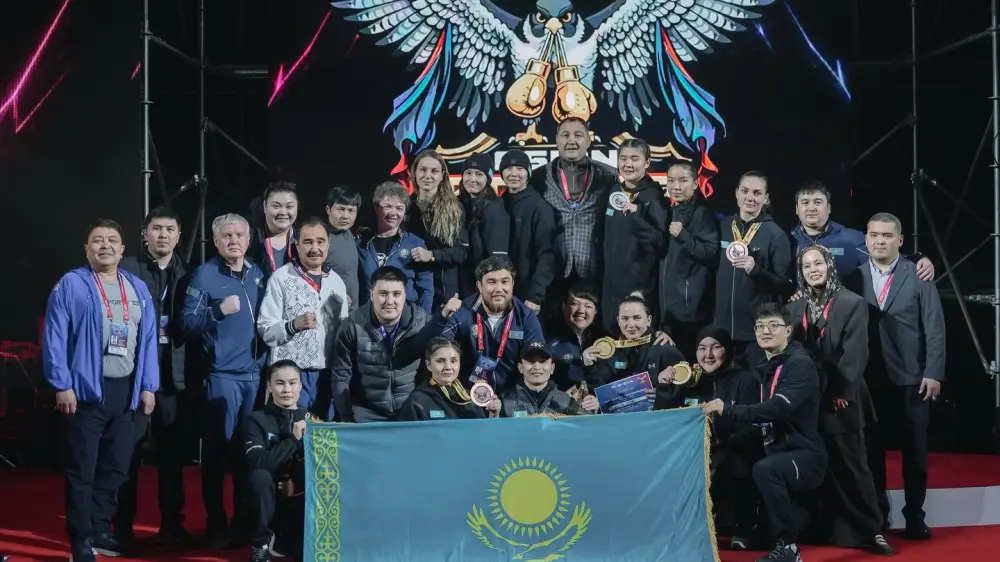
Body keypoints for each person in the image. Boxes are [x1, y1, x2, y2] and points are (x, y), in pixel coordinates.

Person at [43, 219, 158, 561]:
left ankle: (99, 529)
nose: (105, 245)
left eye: (112, 240)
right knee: (83, 470)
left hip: (126, 393)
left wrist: (148, 386)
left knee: (117, 468)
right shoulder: (71, 284)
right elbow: (54, 337)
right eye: (97, 240)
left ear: (123, 250)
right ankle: (80, 539)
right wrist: (62, 384)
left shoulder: (137, 287)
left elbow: (149, 340)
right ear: (86, 249)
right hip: (84, 393)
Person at [785, 245, 892, 555]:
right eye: (806, 266)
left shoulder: (852, 302)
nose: (813, 269)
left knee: (852, 466)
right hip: (808, 401)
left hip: (842, 397)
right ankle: (822, 528)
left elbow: (857, 352)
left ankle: (872, 530)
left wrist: (841, 392)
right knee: (817, 468)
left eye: (818, 263)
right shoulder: (793, 308)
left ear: (830, 265)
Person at [705, 304, 827, 562]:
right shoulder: (766, 365)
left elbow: (778, 408)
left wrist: (729, 410)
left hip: (804, 454)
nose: (765, 331)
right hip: (776, 449)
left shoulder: (800, 364)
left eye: (773, 326)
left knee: (765, 469)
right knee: (737, 460)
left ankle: (789, 549)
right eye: (760, 327)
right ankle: (750, 527)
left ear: (788, 330)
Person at [852, 213, 945, 539]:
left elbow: (934, 327)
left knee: (915, 454)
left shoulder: (919, 274)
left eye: (887, 235)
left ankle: (915, 517)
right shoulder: (853, 277)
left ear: (900, 240)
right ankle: (878, 517)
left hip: (913, 379)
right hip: (869, 381)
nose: (880, 240)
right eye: (874, 235)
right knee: (871, 452)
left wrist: (933, 372)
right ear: (866, 239)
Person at [181, 213, 267, 547]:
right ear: (216, 242)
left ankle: (244, 522)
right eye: (226, 236)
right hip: (222, 377)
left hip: (255, 376)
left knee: (248, 453)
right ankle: (216, 523)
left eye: (239, 235)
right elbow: (185, 325)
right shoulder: (204, 276)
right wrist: (217, 311)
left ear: (248, 240)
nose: (233, 241)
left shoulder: (258, 274)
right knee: (218, 454)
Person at [116, 207, 193, 546]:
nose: (163, 234)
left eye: (170, 229)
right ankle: (121, 526)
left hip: (172, 378)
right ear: (144, 234)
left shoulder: (188, 274)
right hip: (133, 375)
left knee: (172, 456)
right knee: (127, 453)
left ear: (179, 235)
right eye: (157, 228)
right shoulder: (126, 270)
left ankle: (172, 524)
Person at [655, 326, 762, 550]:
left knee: (737, 466)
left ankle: (744, 528)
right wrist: (664, 387)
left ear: (728, 350)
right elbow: (668, 421)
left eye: (716, 347)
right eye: (702, 348)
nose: (708, 355)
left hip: (731, 449)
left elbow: (751, 427)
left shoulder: (744, 380)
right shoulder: (688, 380)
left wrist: (719, 447)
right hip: (692, 450)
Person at [331, 267, 457, 422]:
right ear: (371, 294)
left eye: (396, 294)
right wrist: (346, 419)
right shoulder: (352, 325)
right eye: (383, 294)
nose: (390, 301)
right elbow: (340, 377)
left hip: (411, 409)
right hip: (366, 413)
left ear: (405, 295)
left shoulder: (422, 322)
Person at [258, 217, 349, 420]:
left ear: (328, 244)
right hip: (291, 377)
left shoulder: (336, 282)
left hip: (327, 376)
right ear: (297, 245)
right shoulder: (281, 278)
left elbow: (344, 334)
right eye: (308, 242)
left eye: (320, 241)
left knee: (324, 435)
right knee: (292, 433)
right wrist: (292, 326)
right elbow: (265, 329)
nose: (315, 248)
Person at [531, 117, 619, 307]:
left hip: (594, 271)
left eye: (578, 135)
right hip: (552, 273)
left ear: (588, 140)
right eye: (565, 135)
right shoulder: (537, 177)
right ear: (556, 140)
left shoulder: (609, 175)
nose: (571, 140)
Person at [437, 256, 545, 394]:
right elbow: (439, 348)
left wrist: (512, 398)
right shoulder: (463, 312)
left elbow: (537, 362)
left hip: (513, 395)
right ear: (479, 286)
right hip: (467, 393)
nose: (499, 289)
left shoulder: (525, 317)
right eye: (491, 282)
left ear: (512, 284)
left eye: (505, 282)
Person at [790, 181, 934, 283]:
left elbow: (885, 260)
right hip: (799, 314)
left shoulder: (850, 239)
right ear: (797, 209)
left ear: (829, 208)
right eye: (805, 202)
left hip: (842, 312)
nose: (811, 208)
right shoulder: (788, 241)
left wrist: (918, 259)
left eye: (817, 202)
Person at [715, 171, 793, 356]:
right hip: (721, 331)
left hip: (755, 333)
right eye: (745, 191)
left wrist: (757, 270)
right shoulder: (722, 227)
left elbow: (785, 286)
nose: (750, 197)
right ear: (737, 193)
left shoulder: (776, 235)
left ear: (765, 198)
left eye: (757, 193)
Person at [600, 138, 670, 332]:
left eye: (634, 158)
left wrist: (637, 217)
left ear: (647, 163)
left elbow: (660, 244)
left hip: (639, 289)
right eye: (623, 158)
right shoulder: (614, 191)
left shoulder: (654, 198)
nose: (628, 164)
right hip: (610, 287)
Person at [244, 360, 308, 562]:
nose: (287, 389)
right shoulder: (256, 420)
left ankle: (290, 539)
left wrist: (295, 483)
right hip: (269, 500)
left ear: (300, 385)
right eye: (280, 383)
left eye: (292, 383)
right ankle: (260, 544)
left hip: (300, 500)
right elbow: (258, 463)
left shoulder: (311, 419)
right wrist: (293, 440)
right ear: (269, 386)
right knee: (259, 477)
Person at [658, 160, 720, 357]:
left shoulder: (701, 213)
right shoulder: (670, 211)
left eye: (683, 180)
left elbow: (711, 253)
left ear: (694, 184)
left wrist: (683, 235)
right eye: (671, 180)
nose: (676, 186)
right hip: (669, 312)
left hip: (689, 314)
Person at [584, 296, 684, 400]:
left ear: (649, 320)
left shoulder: (665, 349)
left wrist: (661, 396)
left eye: (637, 318)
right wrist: (589, 366)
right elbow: (601, 393)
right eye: (625, 318)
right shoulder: (612, 353)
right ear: (618, 321)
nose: (631, 324)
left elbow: (682, 392)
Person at [357, 181, 435, 313]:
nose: (393, 213)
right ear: (376, 207)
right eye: (387, 206)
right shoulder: (361, 244)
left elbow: (426, 287)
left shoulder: (415, 243)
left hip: (405, 317)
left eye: (399, 208)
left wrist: (422, 319)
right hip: (369, 316)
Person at [406, 150, 470, 310]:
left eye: (434, 171)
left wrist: (431, 255)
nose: (427, 175)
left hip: (442, 294)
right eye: (423, 169)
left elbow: (461, 251)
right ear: (414, 172)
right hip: (410, 290)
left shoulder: (454, 209)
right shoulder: (404, 207)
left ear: (442, 176)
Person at [501, 148, 556, 314]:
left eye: (520, 169)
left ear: (528, 173)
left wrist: (535, 295)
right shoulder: (498, 204)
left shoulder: (540, 207)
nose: (514, 174)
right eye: (508, 168)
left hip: (528, 296)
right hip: (500, 291)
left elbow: (547, 255)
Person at [398, 338, 501, 420]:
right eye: (440, 361)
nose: (448, 367)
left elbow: (481, 434)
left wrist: (493, 416)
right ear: (429, 365)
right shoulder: (417, 401)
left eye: (453, 361)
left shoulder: (470, 397)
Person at [458, 153, 510, 296]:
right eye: (468, 173)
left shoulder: (494, 208)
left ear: (488, 178)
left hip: (480, 287)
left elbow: (498, 259)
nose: (472, 179)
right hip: (461, 284)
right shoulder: (457, 204)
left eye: (479, 174)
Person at [500, 341, 598, 417]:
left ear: (552, 368)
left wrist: (593, 411)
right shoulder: (503, 402)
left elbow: (587, 428)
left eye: (543, 362)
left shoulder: (567, 402)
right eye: (531, 361)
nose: (537, 367)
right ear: (520, 367)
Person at [546, 285, 608, 391]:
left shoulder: (604, 340)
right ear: (564, 306)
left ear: (596, 311)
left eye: (588, 306)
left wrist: (597, 398)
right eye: (575, 304)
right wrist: (561, 397)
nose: (581, 310)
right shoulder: (549, 341)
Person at [249, 181, 298, 278]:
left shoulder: (303, 239)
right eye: (276, 206)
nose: (283, 212)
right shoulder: (250, 240)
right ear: (265, 206)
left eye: (289, 206)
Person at [324, 186, 362, 310]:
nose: (345, 216)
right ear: (328, 209)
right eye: (340, 209)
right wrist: (331, 293)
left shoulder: (348, 232)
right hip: (330, 314)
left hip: (353, 313)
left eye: (351, 211)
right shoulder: (320, 238)